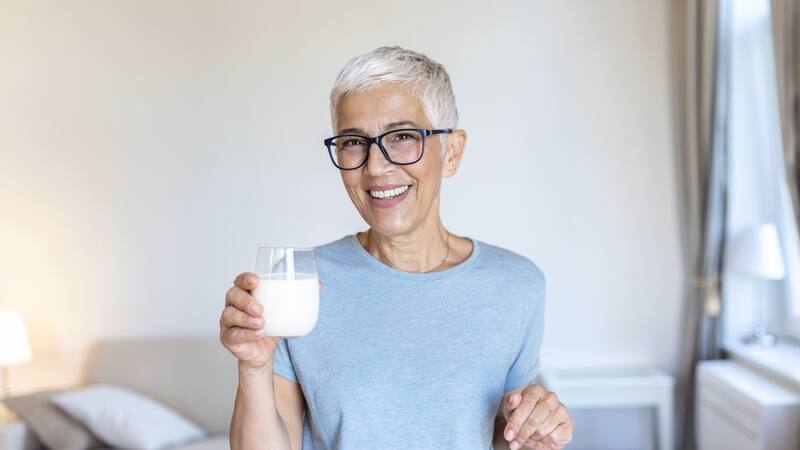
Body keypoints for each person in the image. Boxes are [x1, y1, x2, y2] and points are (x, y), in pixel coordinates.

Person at [220, 46, 574, 450]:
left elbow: (500, 431)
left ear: (452, 151)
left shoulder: (516, 285)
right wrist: (253, 367)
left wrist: (536, 431)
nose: (375, 166)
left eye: (403, 136)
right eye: (353, 142)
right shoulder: (298, 285)